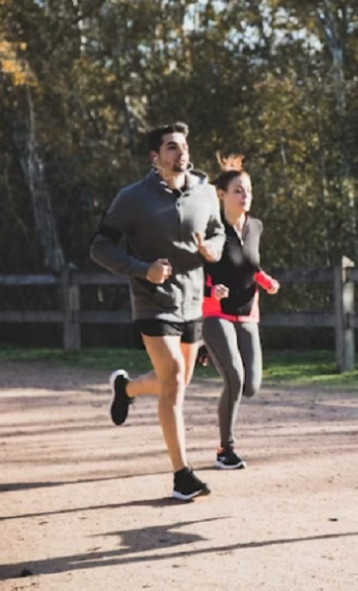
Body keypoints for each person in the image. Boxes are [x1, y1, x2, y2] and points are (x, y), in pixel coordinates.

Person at [90, 121, 225, 501]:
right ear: (155, 157)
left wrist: (213, 249)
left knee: (176, 383)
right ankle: (182, 475)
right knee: (175, 377)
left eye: (182, 145)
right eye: (170, 147)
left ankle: (127, 387)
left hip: (193, 300)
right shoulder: (133, 198)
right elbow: (100, 246)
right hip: (152, 299)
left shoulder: (206, 193)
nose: (180, 152)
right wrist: (141, 269)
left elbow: (217, 232)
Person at [201, 153, 280, 470]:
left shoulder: (255, 226)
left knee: (251, 386)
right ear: (221, 195)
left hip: (248, 312)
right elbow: (194, 269)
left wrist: (265, 280)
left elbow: (249, 265)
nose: (245, 196)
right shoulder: (210, 228)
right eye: (238, 190)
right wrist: (210, 290)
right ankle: (225, 449)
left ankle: (208, 349)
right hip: (214, 310)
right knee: (233, 378)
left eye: (247, 190)